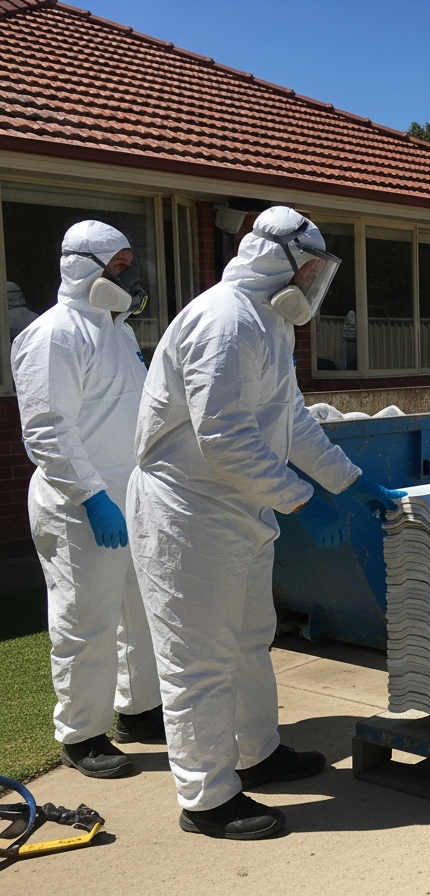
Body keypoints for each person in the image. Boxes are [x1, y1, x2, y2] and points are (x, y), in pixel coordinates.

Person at [127, 207, 405, 840]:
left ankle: (256, 752)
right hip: (188, 511)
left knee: (250, 638)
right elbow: (224, 437)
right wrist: (303, 501)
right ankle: (206, 797)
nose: (312, 283)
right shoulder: (225, 321)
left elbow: (292, 421)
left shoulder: (269, 323)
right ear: (278, 261)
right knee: (199, 656)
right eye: (309, 270)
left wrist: (350, 482)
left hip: (235, 507)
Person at [12, 221, 163, 779]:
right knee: (85, 621)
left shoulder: (116, 330)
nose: (129, 276)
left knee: (138, 614)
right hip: (78, 505)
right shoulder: (53, 334)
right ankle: (80, 736)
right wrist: (92, 497)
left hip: (129, 497)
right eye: (119, 266)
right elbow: (47, 429)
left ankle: (138, 711)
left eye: (129, 265)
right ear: (83, 266)